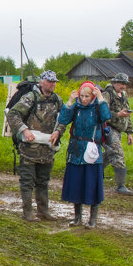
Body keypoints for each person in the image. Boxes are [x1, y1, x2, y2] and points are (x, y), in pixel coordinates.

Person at [6, 70, 64, 221]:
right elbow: (12, 114)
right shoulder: (30, 98)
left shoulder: (57, 100)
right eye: (50, 81)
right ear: (41, 82)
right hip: (29, 149)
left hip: (47, 149)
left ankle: (43, 211)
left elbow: (64, 118)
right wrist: (23, 130)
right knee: (27, 182)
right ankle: (28, 213)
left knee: (43, 182)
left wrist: (58, 131)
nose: (53, 84)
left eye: (54, 81)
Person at [56, 81, 111, 227]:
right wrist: (69, 102)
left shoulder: (98, 107)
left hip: (92, 152)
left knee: (92, 185)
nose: (84, 99)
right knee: (76, 184)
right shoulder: (76, 107)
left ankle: (92, 219)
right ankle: (77, 217)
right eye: (82, 96)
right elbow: (62, 120)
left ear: (92, 96)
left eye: (87, 96)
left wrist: (101, 99)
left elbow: (106, 117)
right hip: (76, 151)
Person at [102, 72, 133, 195]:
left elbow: (128, 116)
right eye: (121, 83)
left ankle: (95, 171)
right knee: (118, 153)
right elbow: (102, 113)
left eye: (125, 84)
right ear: (114, 82)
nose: (123, 86)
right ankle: (121, 186)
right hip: (108, 129)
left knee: (109, 154)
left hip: (119, 129)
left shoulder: (124, 95)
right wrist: (118, 115)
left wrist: (129, 132)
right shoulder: (107, 94)